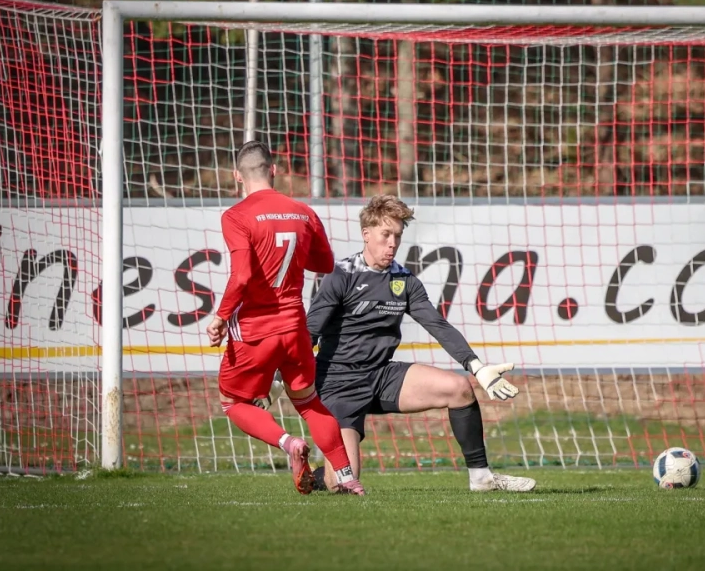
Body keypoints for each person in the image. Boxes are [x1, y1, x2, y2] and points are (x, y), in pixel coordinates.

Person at [305, 194, 536, 493]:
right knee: (341, 485)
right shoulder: (341, 275)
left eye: (397, 236)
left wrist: (477, 367)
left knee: (459, 388)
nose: (392, 243)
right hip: (339, 383)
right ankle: (313, 474)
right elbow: (310, 332)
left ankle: (482, 478)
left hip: (382, 376)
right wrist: (286, 376)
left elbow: (437, 325)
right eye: (385, 234)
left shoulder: (404, 280)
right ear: (366, 234)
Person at [205, 140, 364, 496]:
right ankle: (347, 478)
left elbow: (242, 276)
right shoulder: (303, 212)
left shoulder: (236, 216)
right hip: (294, 328)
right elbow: (325, 263)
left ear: (237, 176)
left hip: (254, 332)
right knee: (309, 402)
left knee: (233, 403)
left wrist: (220, 317)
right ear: (273, 170)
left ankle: (289, 443)